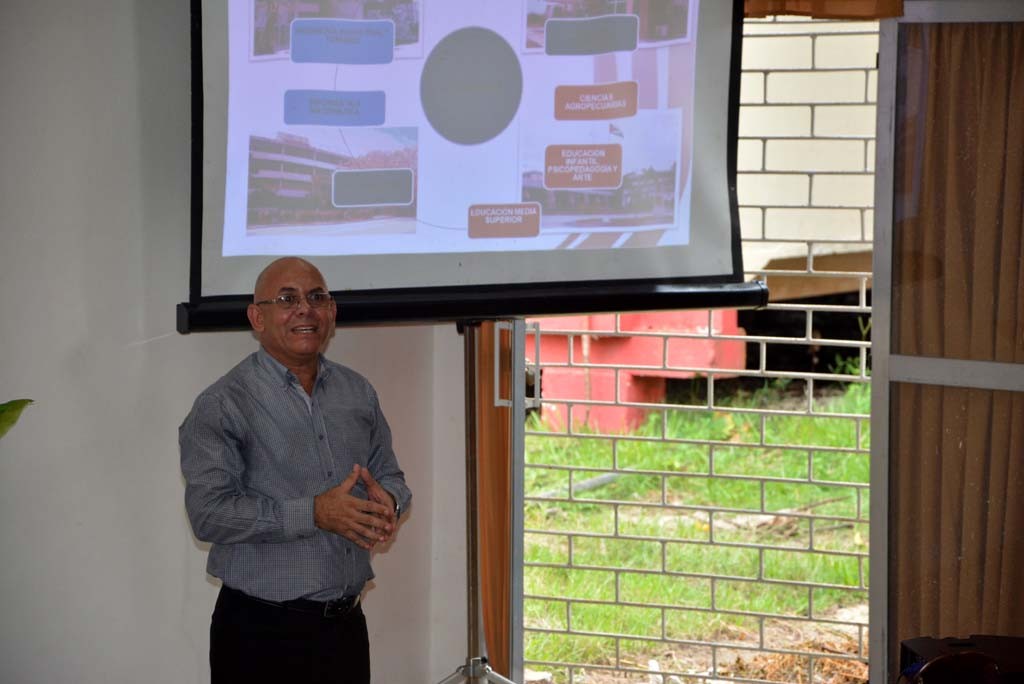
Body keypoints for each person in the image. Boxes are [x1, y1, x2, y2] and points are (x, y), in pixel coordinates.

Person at [180, 257, 411, 684]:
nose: (306, 309)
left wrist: (390, 502)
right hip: (260, 635)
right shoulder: (223, 404)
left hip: (345, 629)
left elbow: (391, 476)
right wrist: (314, 513)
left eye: (317, 298)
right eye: (287, 299)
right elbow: (209, 513)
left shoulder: (357, 391)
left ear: (332, 312)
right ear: (257, 317)